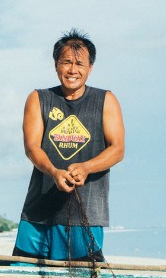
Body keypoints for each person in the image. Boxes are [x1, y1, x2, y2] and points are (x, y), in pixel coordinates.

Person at [12, 29, 125, 261]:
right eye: (66, 62)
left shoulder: (106, 100)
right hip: (38, 212)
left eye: (80, 64)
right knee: (25, 275)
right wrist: (54, 172)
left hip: (87, 214)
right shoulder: (38, 98)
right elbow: (31, 147)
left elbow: (118, 149)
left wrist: (86, 168)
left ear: (90, 68)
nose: (73, 70)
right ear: (56, 65)